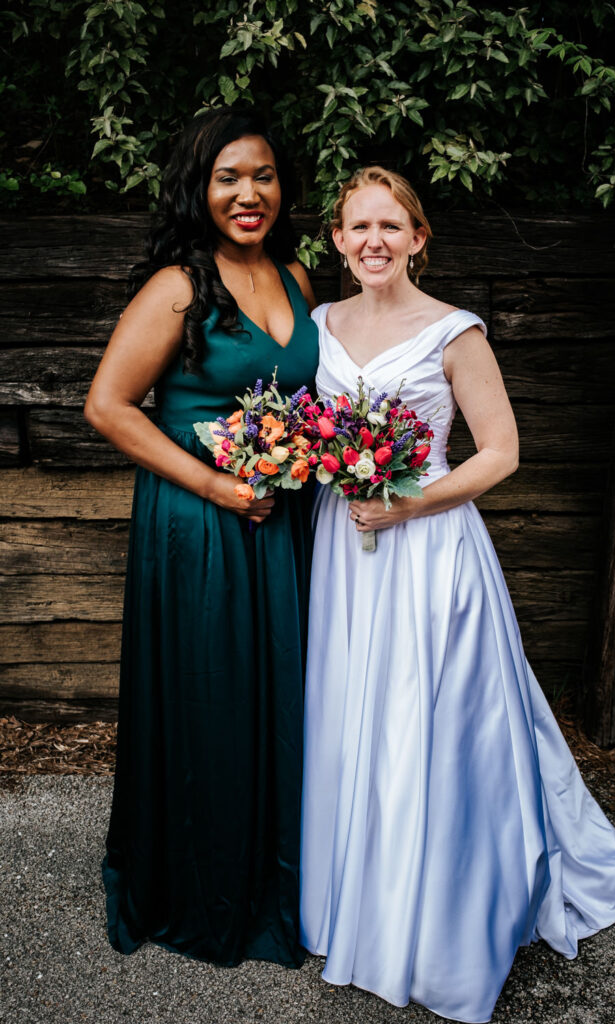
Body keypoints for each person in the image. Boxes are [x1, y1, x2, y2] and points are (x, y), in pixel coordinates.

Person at [299, 166, 615, 1022]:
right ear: (337, 241)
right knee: (348, 710)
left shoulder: (453, 331)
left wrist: (407, 500)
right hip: (341, 546)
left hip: (425, 544)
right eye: (358, 228)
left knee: (424, 716)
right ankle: (346, 890)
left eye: (391, 227)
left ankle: (429, 914)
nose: (374, 242)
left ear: (419, 238)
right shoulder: (317, 324)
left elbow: (498, 452)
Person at [85, 107, 318, 968]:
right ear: (200, 188)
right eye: (228, 178)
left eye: (261, 175)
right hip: (201, 527)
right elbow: (107, 406)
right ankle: (200, 885)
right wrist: (217, 484)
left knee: (278, 699)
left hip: (283, 522)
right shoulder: (178, 286)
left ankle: (277, 875)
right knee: (212, 696)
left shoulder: (297, 277)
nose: (247, 193)